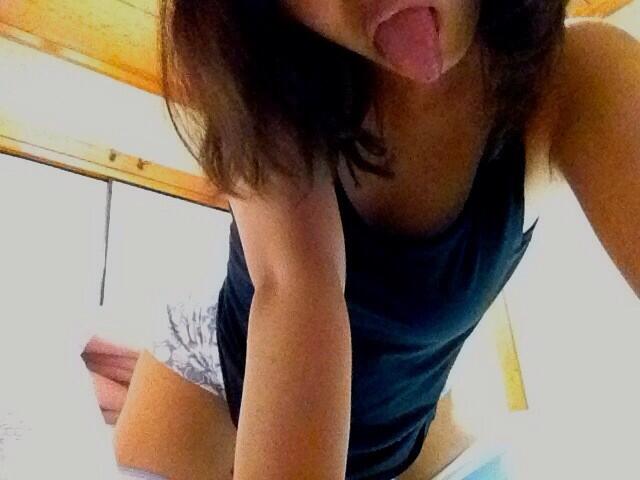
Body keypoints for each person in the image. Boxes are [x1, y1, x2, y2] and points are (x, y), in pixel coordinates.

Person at [106, 1, 640, 479]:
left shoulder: (578, 82)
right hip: (210, 385)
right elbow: (297, 292)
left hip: (410, 434)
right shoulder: (275, 91)